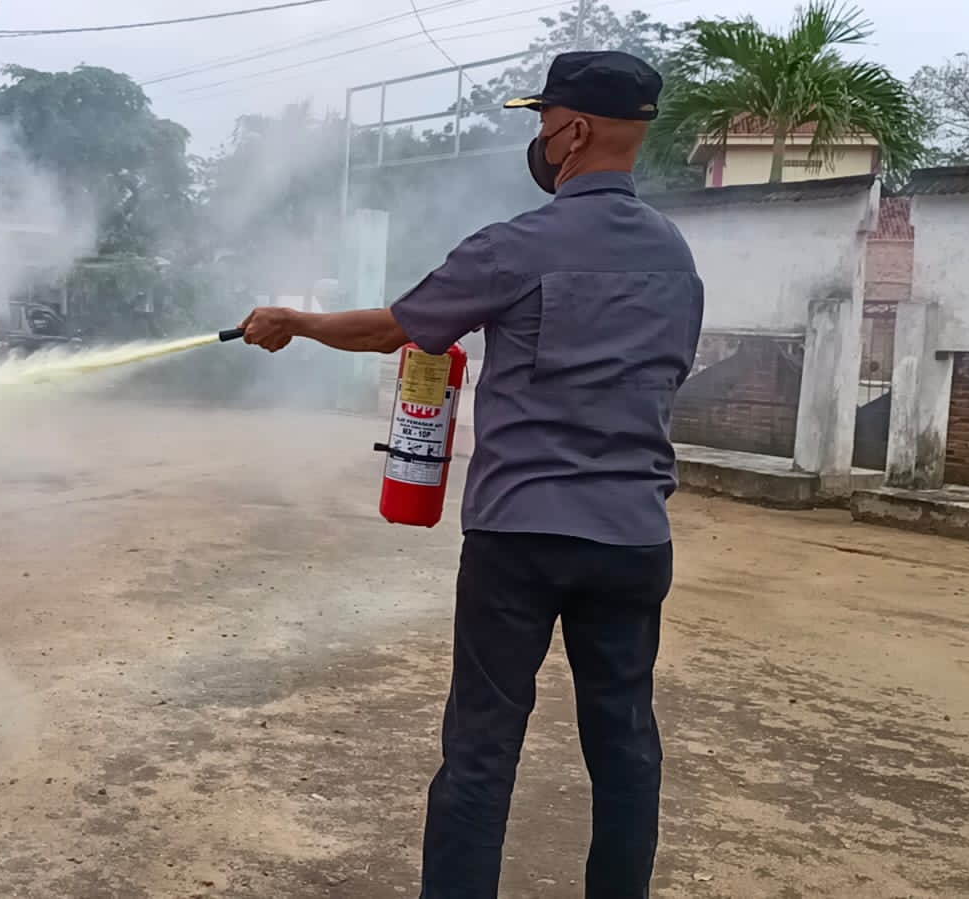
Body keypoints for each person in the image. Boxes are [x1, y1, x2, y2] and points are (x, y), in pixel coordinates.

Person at [239, 51, 704, 899]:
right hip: (633, 537)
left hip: (519, 538)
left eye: (542, 122)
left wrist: (295, 322)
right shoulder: (675, 256)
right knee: (625, 745)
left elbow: (393, 330)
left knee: (482, 749)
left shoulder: (514, 246)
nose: (539, 138)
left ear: (573, 131)